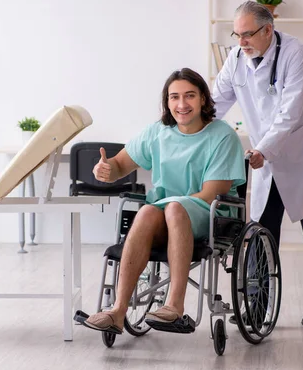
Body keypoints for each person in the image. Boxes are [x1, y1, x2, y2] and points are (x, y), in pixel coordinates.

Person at [80, 67, 246, 335]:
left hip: (209, 215)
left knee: (174, 208)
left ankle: (174, 305)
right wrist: (107, 169)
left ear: (203, 98)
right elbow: (120, 165)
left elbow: (211, 193)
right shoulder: (158, 132)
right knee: (146, 212)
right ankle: (118, 311)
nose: (181, 104)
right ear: (167, 102)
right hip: (165, 215)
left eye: (189, 96)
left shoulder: (222, 136)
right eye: (174, 97)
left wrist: (172, 208)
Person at [213, 1, 303, 326]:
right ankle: (257, 308)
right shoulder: (235, 58)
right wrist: (190, 128)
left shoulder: (296, 54)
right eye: (236, 34)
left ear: (268, 29)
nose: (240, 41)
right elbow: (216, 102)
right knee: (260, 232)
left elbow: (290, 112)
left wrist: (263, 150)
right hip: (267, 159)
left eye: (247, 34)